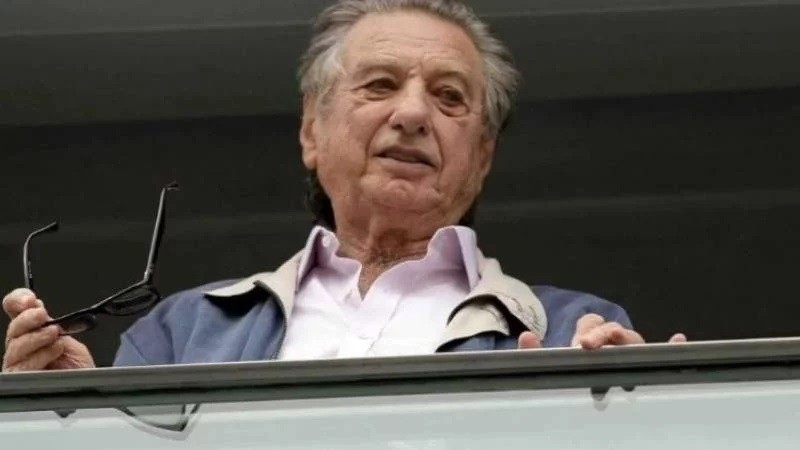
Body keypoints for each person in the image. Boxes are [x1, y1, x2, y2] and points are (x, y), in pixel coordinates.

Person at [2, 0, 685, 372]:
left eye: (449, 96)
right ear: (312, 130)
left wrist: (649, 419)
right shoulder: (183, 331)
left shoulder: (569, 329)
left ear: (482, 157)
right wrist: (64, 418)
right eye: (380, 85)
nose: (412, 114)